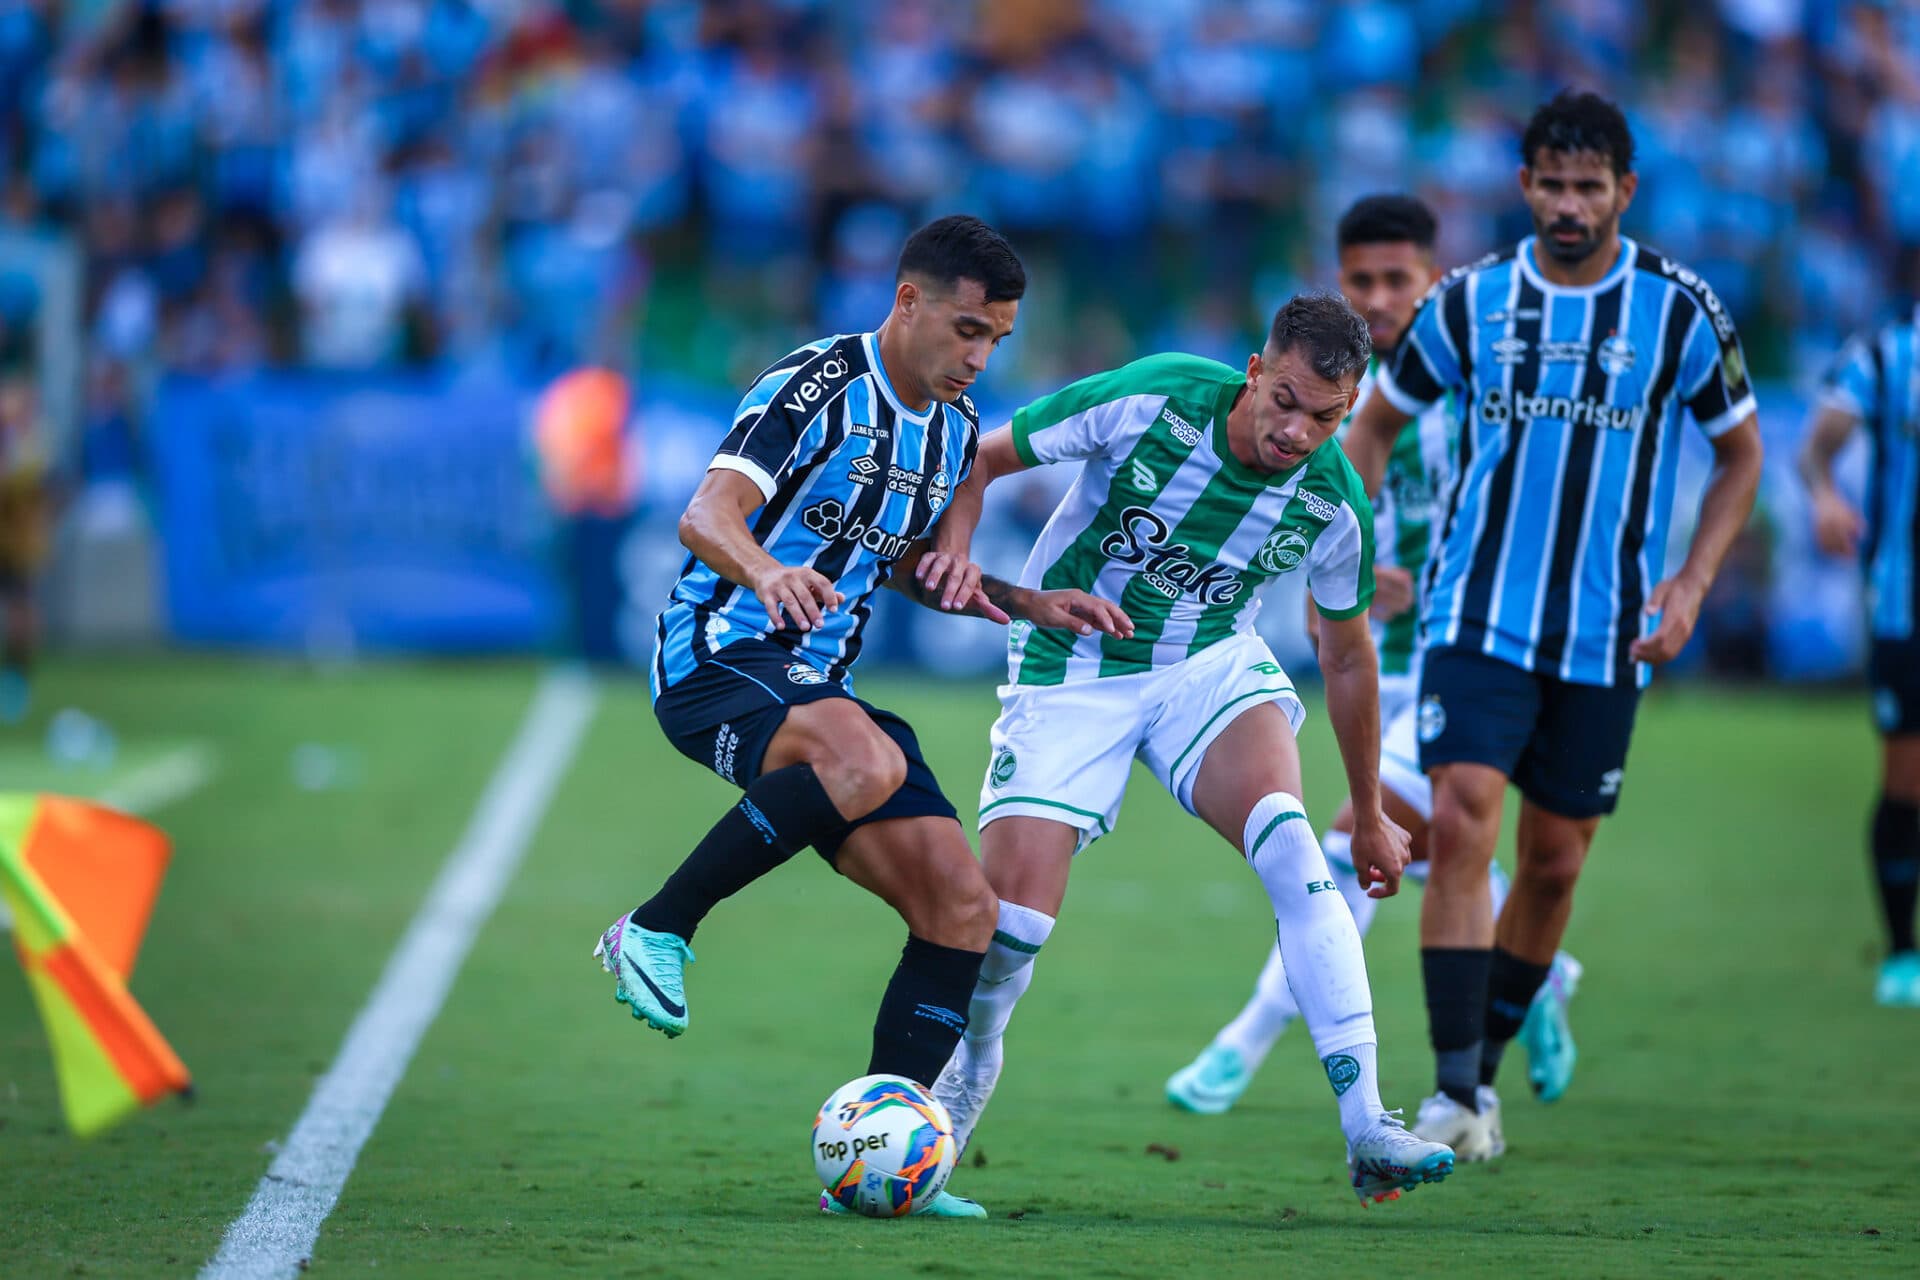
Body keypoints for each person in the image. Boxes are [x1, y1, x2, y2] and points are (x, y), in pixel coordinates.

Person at [593, 215, 1124, 1219]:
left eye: (997, 340)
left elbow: (917, 574)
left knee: (962, 907)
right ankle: (658, 926)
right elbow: (705, 515)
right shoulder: (816, 384)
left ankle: (886, 1158)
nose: (979, 356)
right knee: (862, 754)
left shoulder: (954, 430)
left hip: (820, 695)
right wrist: (767, 569)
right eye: (966, 328)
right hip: (718, 660)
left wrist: (1028, 600)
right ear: (909, 301)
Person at [919, 290, 1457, 1207]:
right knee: (1012, 933)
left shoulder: (1333, 502)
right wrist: (962, 552)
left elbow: (1347, 654)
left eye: (1325, 417)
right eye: (1284, 400)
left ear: (1350, 412)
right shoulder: (1159, 398)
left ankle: (1369, 1123)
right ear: (1255, 371)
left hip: (1205, 663)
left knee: (1294, 847)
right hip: (1071, 664)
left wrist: (1369, 816)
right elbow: (982, 457)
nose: (1296, 431)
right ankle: (942, 1122)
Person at [1343, 91, 1763, 1159]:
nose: (1570, 204)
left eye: (1591, 186)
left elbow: (1740, 453)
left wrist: (1692, 583)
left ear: (1626, 190)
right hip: (1475, 614)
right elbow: (1374, 429)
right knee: (1466, 810)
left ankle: (1482, 1075)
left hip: (1607, 632)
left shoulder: (1678, 310)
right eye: (1552, 183)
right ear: (1524, 185)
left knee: (1555, 862)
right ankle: (1448, 1093)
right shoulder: (1470, 302)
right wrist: (1358, 551)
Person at [1164, 195, 1583, 1124]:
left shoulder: (1475, 388)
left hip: (1467, 659)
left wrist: (1430, 574)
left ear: (1436, 281)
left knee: (1357, 833)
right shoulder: (1315, 393)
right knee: (1420, 849)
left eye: (1400, 279)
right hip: (1367, 662)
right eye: (1363, 280)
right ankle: (1542, 972)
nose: (1383, 296)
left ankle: (1244, 1044)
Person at [1800, 304, 1920, 1007]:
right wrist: (1823, 497)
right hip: (1905, 603)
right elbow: (1816, 448)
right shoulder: (1885, 354)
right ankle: (1903, 953)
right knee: (1907, 780)